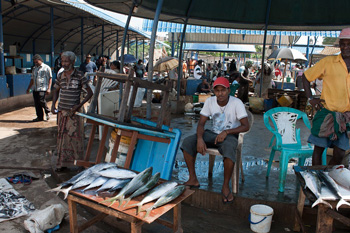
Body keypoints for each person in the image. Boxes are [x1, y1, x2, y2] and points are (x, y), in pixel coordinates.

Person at [181, 77, 249, 204]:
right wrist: (200, 139)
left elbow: (246, 125)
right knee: (188, 142)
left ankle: (225, 185)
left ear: (228, 90)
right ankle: (193, 178)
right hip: (212, 134)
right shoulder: (210, 102)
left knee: (229, 148)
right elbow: (201, 123)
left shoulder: (237, 102)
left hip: (230, 135)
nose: (220, 93)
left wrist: (227, 132)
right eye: (217, 90)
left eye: (223, 90)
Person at [302, 28, 350, 166]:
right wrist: (310, 98)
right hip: (327, 114)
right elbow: (306, 77)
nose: (345, 47)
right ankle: (317, 177)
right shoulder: (328, 62)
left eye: (349, 44)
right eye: (343, 44)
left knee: (340, 152)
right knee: (319, 149)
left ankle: (328, 176)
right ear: (339, 45)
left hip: (346, 117)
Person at [51, 51, 93, 170]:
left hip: (74, 114)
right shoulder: (60, 76)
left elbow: (90, 93)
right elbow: (56, 90)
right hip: (62, 112)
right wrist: (53, 105)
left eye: (66, 61)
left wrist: (79, 105)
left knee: (76, 139)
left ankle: (79, 164)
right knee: (62, 139)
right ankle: (63, 164)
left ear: (73, 62)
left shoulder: (80, 76)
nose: (64, 63)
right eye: (62, 61)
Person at [26, 54, 52, 122]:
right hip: (35, 88)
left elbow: (50, 78)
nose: (36, 63)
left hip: (43, 88)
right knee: (37, 103)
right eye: (34, 62)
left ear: (40, 60)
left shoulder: (46, 67)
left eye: (37, 62)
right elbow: (32, 79)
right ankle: (39, 117)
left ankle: (48, 111)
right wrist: (29, 88)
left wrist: (49, 88)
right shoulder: (34, 68)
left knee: (41, 100)